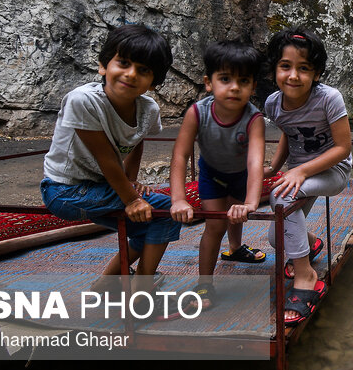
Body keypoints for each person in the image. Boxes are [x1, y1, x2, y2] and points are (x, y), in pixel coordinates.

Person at [40, 24, 179, 292]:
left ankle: (106, 283)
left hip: (101, 186)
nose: (131, 74)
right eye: (123, 63)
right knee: (164, 210)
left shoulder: (148, 109)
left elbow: (136, 141)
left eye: (144, 70)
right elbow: (106, 159)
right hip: (65, 190)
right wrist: (131, 198)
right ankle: (142, 289)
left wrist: (132, 182)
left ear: (154, 81)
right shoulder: (83, 101)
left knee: (146, 225)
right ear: (104, 66)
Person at [263, 28, 352, 326]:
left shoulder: (329, 98)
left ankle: (306, 277)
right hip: (298, 173)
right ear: (275, 68)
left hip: (331, 171)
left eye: (304, 69)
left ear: (316, 74)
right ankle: (311, 245)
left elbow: (343, 148)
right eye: (285, 66)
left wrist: (300, 171)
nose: (293, 75)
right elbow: (289, 136)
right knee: (278, 238)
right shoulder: (273, 104)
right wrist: (276, 168)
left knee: (281, 196)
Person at [169, 41, 266, 310]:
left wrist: (250, 201)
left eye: (243, 80)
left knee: (237, 214)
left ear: (253, 87)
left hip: (240, 174)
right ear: (209, 83)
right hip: (211, 174)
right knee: (215, 226)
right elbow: (180, 155)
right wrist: (178, 199)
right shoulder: (197, 113)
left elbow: (255, 160)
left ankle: (236, 249)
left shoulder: (254, 118)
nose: (234, 87)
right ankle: (204, 283)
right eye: (225, 79)